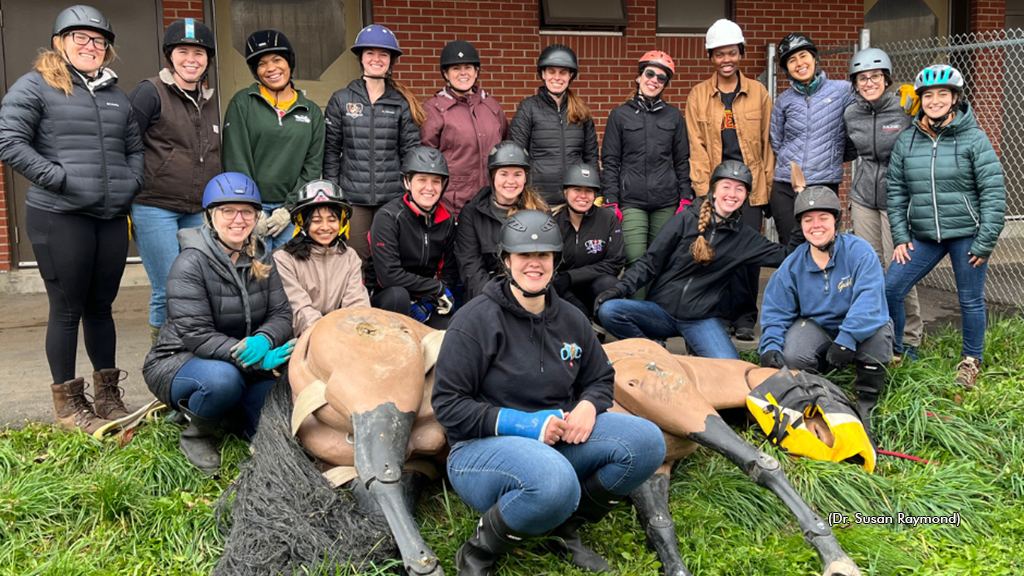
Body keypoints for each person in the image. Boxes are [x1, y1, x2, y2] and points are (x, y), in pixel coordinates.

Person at [432, 210, 666, 575]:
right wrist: (526, 425)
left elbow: (600, 378)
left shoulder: (571, 317)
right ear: (507, 260)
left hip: (556, 441)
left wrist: (589, 406)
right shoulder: (474, 320)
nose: (534, 264)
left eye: (543, 256)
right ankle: (478, 551)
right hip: (478, 452)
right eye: (524, 255)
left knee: (648, 441)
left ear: (555, 261)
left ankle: (563, 527)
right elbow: (448, 405)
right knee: (554, 482)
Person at [0, 5, 145, 435]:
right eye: (80, 38)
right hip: (59, 216)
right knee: (66, 310)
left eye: (99, 41)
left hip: (110, 217)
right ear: (60, 42)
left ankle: (107, 396)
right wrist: (57, 178)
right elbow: (9, 140)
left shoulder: (115, 94)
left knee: (101, 309)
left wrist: (132, 180)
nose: (91, 46)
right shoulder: (35, 86)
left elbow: (134, 147)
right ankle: (69, 407)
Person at [143, 172, 295, 472]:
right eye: (228, 210)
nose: (238, 219)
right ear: (211, 215)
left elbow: (282, 314)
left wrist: (264, 340)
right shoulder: (190, 262)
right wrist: (254, 359)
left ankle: (224, 414)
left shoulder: (262, 258)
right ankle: (196, 432)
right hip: (180, 361)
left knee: (278, 415)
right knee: (223, 381)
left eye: (247, 211)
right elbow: (196, 335)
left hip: (243, 363)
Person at [594, 161, 796, 360]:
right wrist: (619, 289)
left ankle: (693, 346)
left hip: (701, 319)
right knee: (611, 310)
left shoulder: (745, 237)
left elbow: (787, 255)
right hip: (661, 312)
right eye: (726, 187)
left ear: (745, 196)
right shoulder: (685, 219)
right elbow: (650, 262)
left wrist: (802, 212)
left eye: (740, 189)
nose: (732, 194)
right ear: (714, 190)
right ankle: (654, 352)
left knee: (729, 366)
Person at [885, 64, 1006, 389]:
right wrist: (900, 235)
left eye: (942, 94)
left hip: (967, 233)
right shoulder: (908, 140)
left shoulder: (974, 139)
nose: (935, 100)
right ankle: (896, 352)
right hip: (924, 236)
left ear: (954, 99)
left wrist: (985, 241)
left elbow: (993, 193)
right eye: (928, 95)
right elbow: (895, 191)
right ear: (920, 99)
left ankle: (970, 361)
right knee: (892, 288)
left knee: (970, 299)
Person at [758, 187, 892, 433]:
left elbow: (870, 300)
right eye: (808, 220)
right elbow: (776, 311)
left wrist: (847, 340)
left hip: (860, 326)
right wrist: (770, 346)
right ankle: (821, 385)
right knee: (793, 355)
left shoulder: (859, 251)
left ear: (836, 222)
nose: (815, 225)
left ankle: (866, 401)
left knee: (879, 334)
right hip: (820, 327)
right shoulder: (793, 264)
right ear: (801, 225)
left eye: (823, 218)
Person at [129, 18, 221, 341]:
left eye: (199, 53)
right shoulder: (150, 92)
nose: (191, 60)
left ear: (208, 58)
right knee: (168, 288)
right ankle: (162, 361)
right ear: (170, 56)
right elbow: (124, 143)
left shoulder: (210, 101)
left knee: (196, 288)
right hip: (155, 206)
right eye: (183, 51)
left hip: (197, 210)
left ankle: (190, 357)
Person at [687, 20, 773, 341]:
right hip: (716, 189)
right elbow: (696, 147)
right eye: (720, 54)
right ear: (711, 57)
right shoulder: (698, 96)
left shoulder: (759, 93)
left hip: (749, 188)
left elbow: (768, 143)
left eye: (732, 53)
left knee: (747, 252)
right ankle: (720, 314)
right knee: (716, 251)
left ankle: (746, 316)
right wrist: (702, 191)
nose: (727, 59)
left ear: (741, 54)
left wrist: (764, 188)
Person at [843, 48, 923, 362]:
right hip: (863, 197)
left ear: (886, 78)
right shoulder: (852, 113)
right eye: (862, 78)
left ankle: (911, 338)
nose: (869, 82)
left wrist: (918, 104)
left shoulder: (905, 106)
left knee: (899, 268)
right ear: (855, 83)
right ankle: (881, 333)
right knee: (870, 267)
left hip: (898, 199)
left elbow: (938, 121)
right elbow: (849, 148)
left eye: (875, 76)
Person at [323, 25, 424, 262]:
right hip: (352, 199)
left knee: (388, 259)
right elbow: (331, 151)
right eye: (370, 53)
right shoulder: (341, 99)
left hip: (392, 198)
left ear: (391, 61)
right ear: (360, 58)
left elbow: (411, 154)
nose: (376, 59)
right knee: (355, 260)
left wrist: (408, 195)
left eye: (383, 54)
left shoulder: (401, 103)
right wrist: (334, 195)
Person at [600, 50, 693, 301]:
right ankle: (636, 324)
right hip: (631, 201)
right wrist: (610, 199)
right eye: (649, 74)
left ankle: (657, 327)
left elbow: (682, 161)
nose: (654, 80)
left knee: (660, 261)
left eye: (661, 78)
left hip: (666, 200)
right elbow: (609, 161)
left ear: (665, 84)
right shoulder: (619, 115)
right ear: (639, 77)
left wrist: (686, 197)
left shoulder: (674, 116)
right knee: (635, 260)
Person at [222, 29, 326, 250]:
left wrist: (290, 208)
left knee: (287, 275)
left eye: (277, 60)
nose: (271, 68)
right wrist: (250, 207)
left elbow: (312, 165)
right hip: (250, 208)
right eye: (262, 63)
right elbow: (235, 158)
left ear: (289, 63)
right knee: (254, 274)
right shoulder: (242, 103)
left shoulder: (311, 112)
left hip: (288, 211)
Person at [770, 33, 855, 245]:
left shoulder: (842, 90)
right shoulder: (784, 100)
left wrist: (833, 155)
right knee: (792, 247)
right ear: (786, 68)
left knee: (822, 244)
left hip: (824, 183)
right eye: (791, 60)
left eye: (803, 55)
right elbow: (776, 140)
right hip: (786, 185)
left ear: (815, 58)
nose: (799, 63)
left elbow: (857, 127)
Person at [366, 146, 458, 329]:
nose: (429, 188)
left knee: (452, 327)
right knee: (398, 296)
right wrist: (435, 289)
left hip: (425, 300)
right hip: (386, 296)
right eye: (422, 180)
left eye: (436, 181)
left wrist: (428, 303)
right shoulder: (388, 217)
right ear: (407, 182)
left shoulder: (447, 221)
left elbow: (449, 274)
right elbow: (388, 276)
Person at [421, 40, 508, 220]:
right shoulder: (433, 109)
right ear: (445, 73)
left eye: (468, 67)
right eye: (455, 68)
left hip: (492, 200)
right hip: (452, 204)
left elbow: (505, 148)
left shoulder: (492, 106)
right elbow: (425, 162)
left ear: (476, 71)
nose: (463, 73)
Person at [273, 179, 369, 337]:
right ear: (302, 223)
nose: (325, 227)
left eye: (332, 220)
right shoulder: (284, 259)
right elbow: (299, 310)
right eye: (316, 221)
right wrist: (327, 335)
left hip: (343, 334)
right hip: (302, 337)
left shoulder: (349, 256)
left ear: (342, 222)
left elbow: (357, 304)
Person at [456, 141, 549, 301]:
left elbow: (547, 265)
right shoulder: (471, 213)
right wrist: (499, 300)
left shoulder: (539, 213)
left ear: (525, 178)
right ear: (492, 177)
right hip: (485, 296)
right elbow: (470, 267)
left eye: (517, 174)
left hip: (529, 296)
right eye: (504, 174)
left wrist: (525, 298)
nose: (511, 181)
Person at [509, 44, 598, 206]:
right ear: (543, 73)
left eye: (563, 72)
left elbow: (591, 156)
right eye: (551, 71)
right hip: (537, 200)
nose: (557, 77)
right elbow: (516, 156)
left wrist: (594, 190)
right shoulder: (528, 108)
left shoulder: (582, 111)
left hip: (574, 201)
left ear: (571, 75)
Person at [551, 164, 624, 321]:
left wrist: (571, 276)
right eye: (577, 190)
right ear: (566, 192)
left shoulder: (608, 219)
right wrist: (565, 290)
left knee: (610, 284)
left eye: (589, 191)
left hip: (594, 285)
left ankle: (601, 323)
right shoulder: (552, 221)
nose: (583, 196)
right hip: (562, 289)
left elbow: (615, 262)